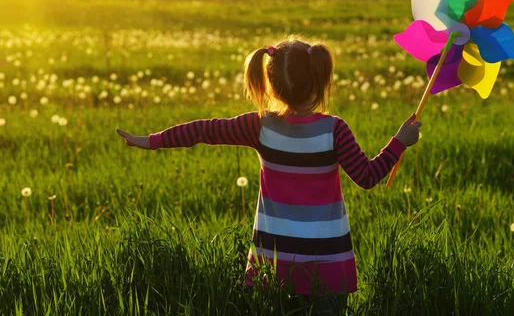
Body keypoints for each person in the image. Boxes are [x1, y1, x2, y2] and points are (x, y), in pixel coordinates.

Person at [116, 38, 422, 313]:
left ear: (271, 85)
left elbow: (202, 129)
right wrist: (399, 142)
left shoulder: (259, 126)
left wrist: (151, 140)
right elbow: (367, 177)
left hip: (272, 265)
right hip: (326, 264)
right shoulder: (334, 129)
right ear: (318, 80)